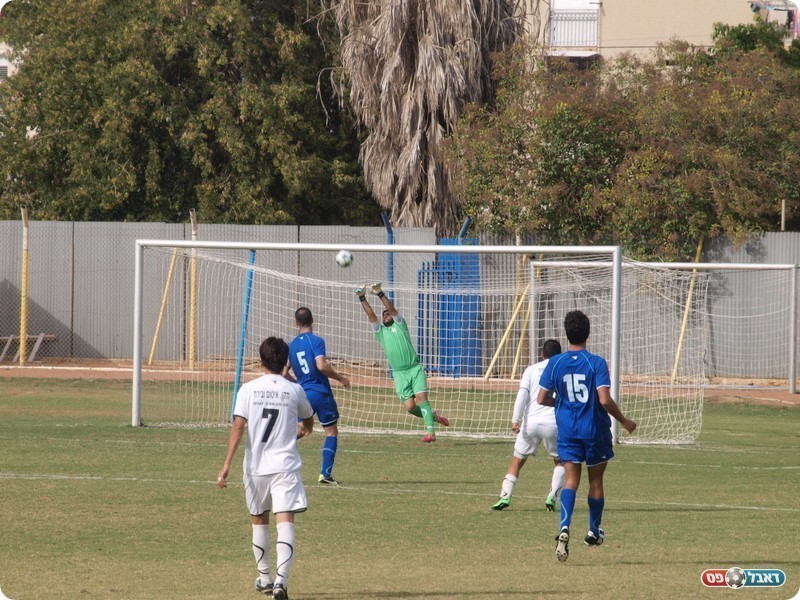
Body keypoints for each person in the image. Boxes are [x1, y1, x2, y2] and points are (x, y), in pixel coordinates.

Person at [217, 337, 315, 600]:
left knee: (259, 520)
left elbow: (238, 428)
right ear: (286, 362)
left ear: (261, 360)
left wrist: (226, 465)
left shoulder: (248, 389)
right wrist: (304, 429)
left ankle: (265, 578)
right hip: (285, 467)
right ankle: (281, 582)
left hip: (256, 468)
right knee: (285, 522)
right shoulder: (294, 390)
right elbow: (308, 419)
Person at [536, 310, 637, 563]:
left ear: (566, 333)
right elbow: (603, 399)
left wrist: (564, 403)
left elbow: (541, 398)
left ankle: (564, 525)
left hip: (568, 432)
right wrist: (624, 421)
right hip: (594, 431)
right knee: (595, 481)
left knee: (571, 481)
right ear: (588, 333)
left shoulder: (555, 363)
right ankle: (593, 530)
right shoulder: (596, 363)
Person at [356, 282, 449, 442]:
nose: (385, 314)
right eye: (383, 314)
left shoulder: (400, 324)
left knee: (421, 398)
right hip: (399, 374)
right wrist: (362, 298)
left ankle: (431, 433)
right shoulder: (380, 332)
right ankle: (433, 417)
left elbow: (391, 309)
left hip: (414, 369)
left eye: (387, 313)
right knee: (410, 407)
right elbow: (371, 316)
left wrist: (380, 294)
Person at [492, 339, 565, 512]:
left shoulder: (531, 370)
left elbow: (522, 396)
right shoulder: (562, 370)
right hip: (553, 424)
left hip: (530, 423)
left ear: (542, 354)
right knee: (560, 461)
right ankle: (553, 495)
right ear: (560, 355)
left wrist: (515, 419)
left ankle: (505, 496)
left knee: (517, 461)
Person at [286, 306, 350, 485]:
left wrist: (297, 384)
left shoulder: (291, 345)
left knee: (301, 428)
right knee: (331, 431)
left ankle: (274, 451)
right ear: (313, 321)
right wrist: (341, 378)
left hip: (301, 393)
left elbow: (283, 371)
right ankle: (325, 474)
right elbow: (321, 366)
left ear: (296, 323)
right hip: (320, 393)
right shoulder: (316, 341)